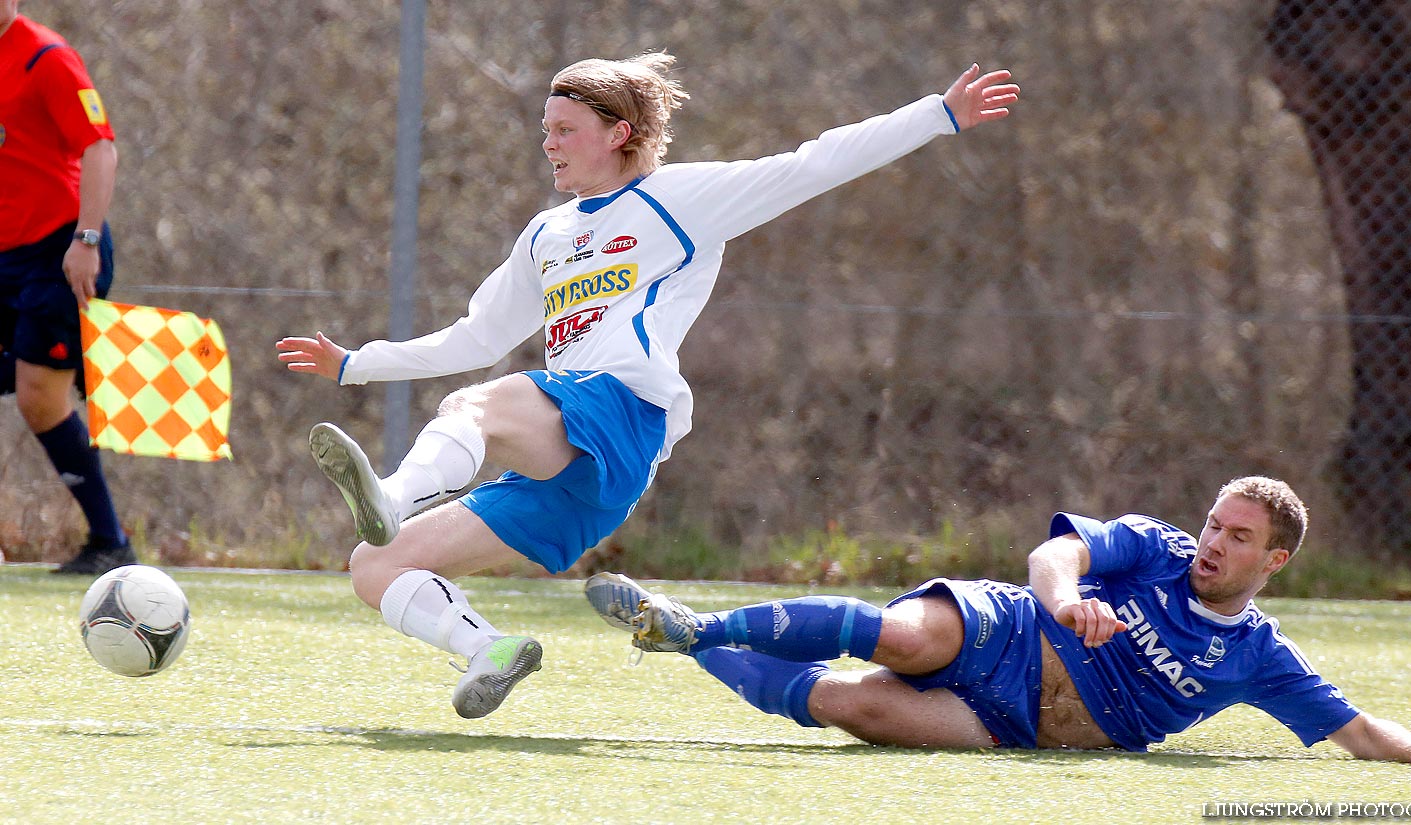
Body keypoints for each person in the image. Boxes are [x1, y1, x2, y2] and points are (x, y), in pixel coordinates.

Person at [275, 53, 1021, 720]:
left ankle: (393, 493)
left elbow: (812, 163)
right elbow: (475, 336)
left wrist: (939, 115)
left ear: (620, 132)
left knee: (478, 403)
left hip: (622, 414)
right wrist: (354, 364)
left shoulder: (680, 199)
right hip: (575, 462)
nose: (549, 143)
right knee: (375, 565)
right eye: (546, 129)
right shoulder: (546, 235)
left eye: (565, 128)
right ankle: (489, 651)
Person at [584, 476, 1411, 769]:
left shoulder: (1258, 656)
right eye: (1215, 522)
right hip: (1009, 630)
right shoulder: (1156, 547)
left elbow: (1355, 726)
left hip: (1012, 723)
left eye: (1237, 536)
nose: (1213, 541)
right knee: (905, 637)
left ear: (1273, 561)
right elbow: (1053, 558)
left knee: (853, 706)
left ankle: (674, 634)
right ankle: (704, 628)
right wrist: (1063, 601)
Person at [0, 1, 136, 575]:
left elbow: (99, 146)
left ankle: (110, 542)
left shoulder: (45, 58)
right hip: (6, 255)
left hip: (58, 251)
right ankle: (81, 370)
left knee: (38, 396)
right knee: (39, 386)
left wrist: (86, 236)